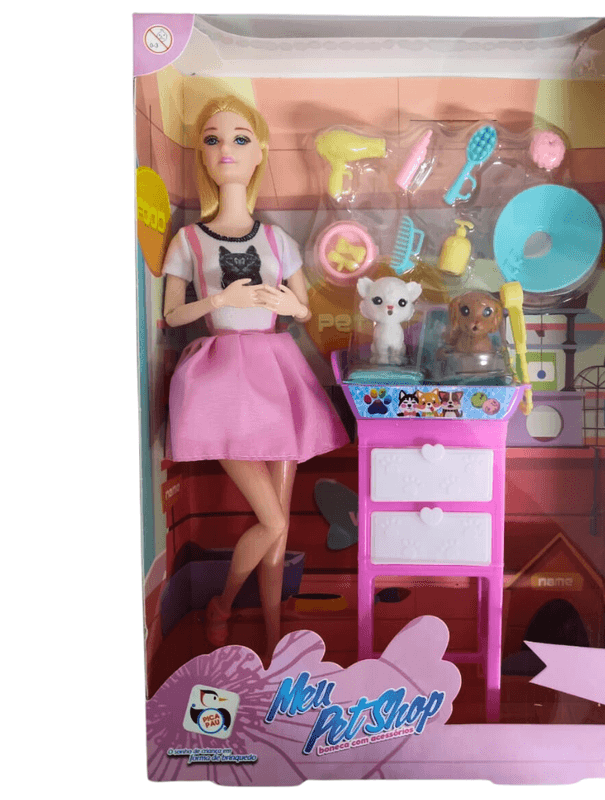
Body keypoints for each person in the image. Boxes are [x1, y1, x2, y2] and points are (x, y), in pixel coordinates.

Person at [161, 95, 348, 661]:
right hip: (221, 380)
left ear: (261, 150)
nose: (226, 149)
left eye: (240, 138)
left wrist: (288, 303)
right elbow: (173, 314)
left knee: (280, 524)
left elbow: (306, 309)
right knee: (270, 518)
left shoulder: (276, 240)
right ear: (201, 153)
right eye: (213, 139)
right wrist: (219, 300)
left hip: (277, 373)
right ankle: (222, 604)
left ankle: (272, 637)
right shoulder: (190, 241)